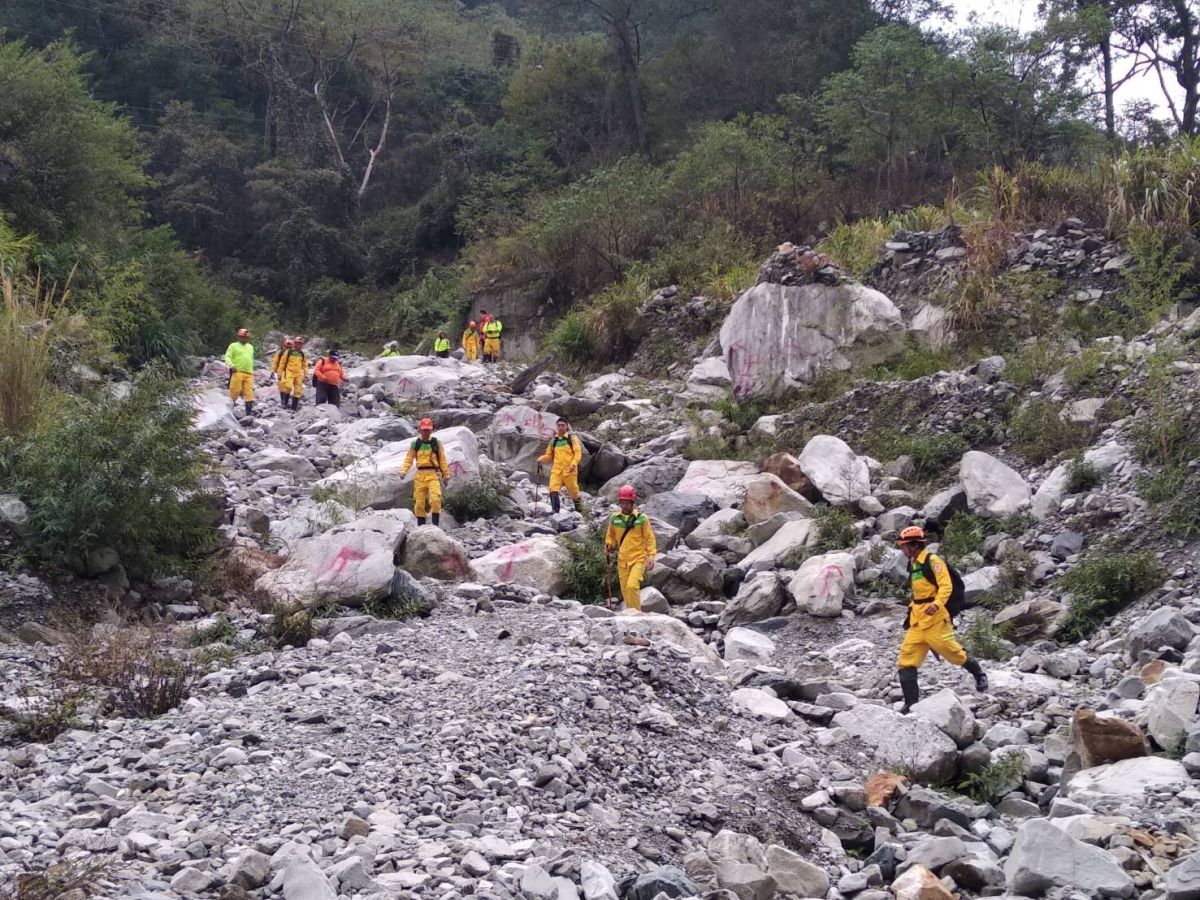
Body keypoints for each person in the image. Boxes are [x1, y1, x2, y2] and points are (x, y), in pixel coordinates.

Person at [895, 525, 988, 714]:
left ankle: (979, 673)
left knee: (953, 653)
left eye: (904, 545)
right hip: (917, 620)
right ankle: (910, 704)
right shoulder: (913, 563)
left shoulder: (933, 561)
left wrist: (937, 604)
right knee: (906, 659)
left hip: (935, 618)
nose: (901, 549)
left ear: (913, 545)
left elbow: (946, 586)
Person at [604, 485, 657, 612]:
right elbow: (610, 536)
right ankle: (630, 615)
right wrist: (609, 545)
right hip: (622, 561)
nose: (624, 505)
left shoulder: (642, 519)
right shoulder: (614, 518)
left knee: (632, 586)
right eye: (622, 502)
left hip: (638, 559)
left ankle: (636, 615)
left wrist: (651, 557)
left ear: (633, 502)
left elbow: (650, 539)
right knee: (625, 591)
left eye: (627, 502)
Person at [398, 418, 452, 527]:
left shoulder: (436, 443)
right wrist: (403, 471)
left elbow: (442, 460)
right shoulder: (415, 444)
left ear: (431, 430)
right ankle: (421, 528)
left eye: (428, 430)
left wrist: (446, 475)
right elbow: (408, 459)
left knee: (435, 500)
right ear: (420, 430)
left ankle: (435, 527)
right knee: (419, 504)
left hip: (433, 474)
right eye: (424, 430)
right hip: (420, 476)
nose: (426, 432)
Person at [537, 418, 584, 515]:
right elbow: (549, 455)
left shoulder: (572, 439)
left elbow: (578, 453)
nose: (561, 427)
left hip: (569, 470)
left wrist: (573, 464)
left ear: (567, 427)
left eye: (563, 425)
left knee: (574, 491)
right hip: (556, 470)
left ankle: (580, 510)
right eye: (559, 425)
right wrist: (541, 459)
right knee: (553, 488)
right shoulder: (554, 441)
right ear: (556, 427)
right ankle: (555, 511)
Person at [224, 328, 256, 417]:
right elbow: (227, 357)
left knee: (249, 392)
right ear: (239, 337)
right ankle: (229, 411)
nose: (244, 339)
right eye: (243, 337)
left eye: (246, 337)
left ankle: (249, 413)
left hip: (248, 373)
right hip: (237, 372)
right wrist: (231, 365)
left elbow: (251, 359)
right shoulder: (233, 346)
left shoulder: (250, 347)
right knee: (235, 391)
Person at [278, 336, 309, 411]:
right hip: (289, 372)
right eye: (298, 343)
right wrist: (279, 373)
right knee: (288, 387)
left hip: (298, 374)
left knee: (298, 391)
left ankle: (293, 408)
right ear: (295, 344)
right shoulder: (288, 352)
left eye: (301, 344)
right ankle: (284, 404)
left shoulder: (302, 354)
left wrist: (306, 375)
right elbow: (282, 363)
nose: (299, 345)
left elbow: (305, 365)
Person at [272, 337, 294, 406]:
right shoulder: (280, 352)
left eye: (289, 347)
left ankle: (285, 401)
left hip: (290, 371)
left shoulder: (293, 353)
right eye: (287, 346)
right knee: (282, 385)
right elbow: (275, 361)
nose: (288, 348)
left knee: (288, 386)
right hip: (281, 371)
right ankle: (283, 401)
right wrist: (273, 370)